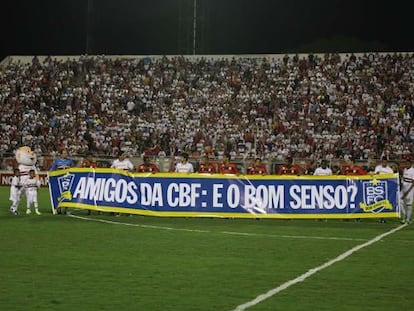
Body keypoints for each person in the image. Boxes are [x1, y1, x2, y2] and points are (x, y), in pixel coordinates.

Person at [400, 158, 414, 224]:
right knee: (400, 202)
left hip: (410, 189)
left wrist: (407, 191)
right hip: (404, 188)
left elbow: (413, 182)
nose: (407, 164)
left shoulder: (413, 171)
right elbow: (403, 179)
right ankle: (404, 215)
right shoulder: (405, 170)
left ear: (411, 164)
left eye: (408, 163)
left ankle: (408, 219)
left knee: (409, 204)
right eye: (406, 163)